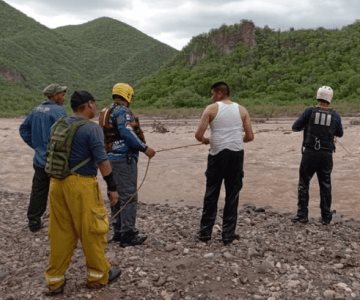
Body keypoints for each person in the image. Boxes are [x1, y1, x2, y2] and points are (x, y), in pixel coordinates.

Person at [45, 90, 121, 295]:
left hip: (56, 184)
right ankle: (98, 275)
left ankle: (54, 280)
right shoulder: (91, 129)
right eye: (94, 104)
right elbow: (102, 161)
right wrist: (112, 187)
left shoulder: (58, 125)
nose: (95, 107)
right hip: (81, 186)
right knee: (92, 230)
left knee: (60, 232)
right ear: (88, 105)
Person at [195, 81, 254, 245]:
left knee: (211, 193)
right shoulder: (242, 110)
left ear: (220, 93)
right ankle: (228, 235)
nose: (212, 97)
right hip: (236, 155)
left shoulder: (211, 109)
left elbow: (198, 135)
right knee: (232, 194)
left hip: (217, 155)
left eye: (213, 93)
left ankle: (205, 233)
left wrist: (207, 140)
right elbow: (250, 136)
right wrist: (235, 139)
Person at [99, 83, 156, 247]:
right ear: (128, 96)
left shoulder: (106, 111)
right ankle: (128, 234)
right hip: (123, 160)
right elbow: (127, 132)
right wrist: (145, 148)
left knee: (114, 194)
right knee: (129, 196)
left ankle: (118, 231)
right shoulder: (123, 111)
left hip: (109, 159)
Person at [291, 86, 343, 225]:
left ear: (318, 96)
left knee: (304, 183)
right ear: (330, 99)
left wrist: (307, 126)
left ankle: (302, 215)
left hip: (310, 153)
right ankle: (326, 217)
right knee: (325, 184)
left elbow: (295, 127)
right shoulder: (336, 115)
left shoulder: (309, 111)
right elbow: (340, 133)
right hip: (326, 155)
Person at [19, 83, 67, 232]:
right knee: (60, 189)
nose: (63, 96)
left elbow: (23, 129)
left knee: (38, 190)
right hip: (56, 160)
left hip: (39, 159)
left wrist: (36, 145)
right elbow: (66, 135)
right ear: (54, 96)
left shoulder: (36, 110)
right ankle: (61, 222)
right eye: (61, 93)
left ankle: (34, 221)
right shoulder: (59, 111)